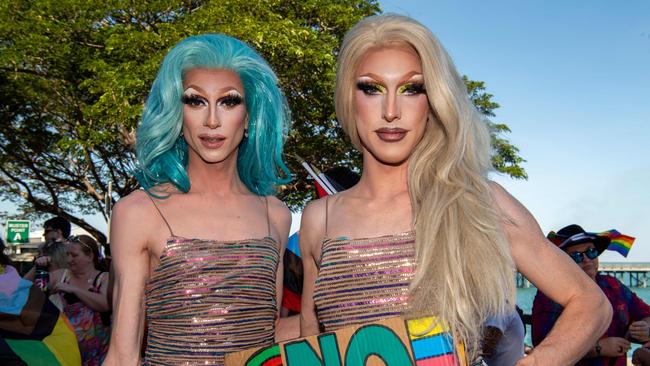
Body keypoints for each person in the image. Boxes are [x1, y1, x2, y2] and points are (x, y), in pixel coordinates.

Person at [299, 13, 611, 365]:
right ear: (348, 98)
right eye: (371, 88)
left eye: (412, 88)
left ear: (433, 101)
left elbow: (591, 303)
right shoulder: (319, 218)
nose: (390, 111)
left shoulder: (479, 202)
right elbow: (311, 344)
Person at [104, 34, 292, 366]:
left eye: (229, 101)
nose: (212, 120)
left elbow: (270, 335)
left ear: (250, 118)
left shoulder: (275, 214)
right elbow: (123, 355)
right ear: (177, 114)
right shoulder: (137, 212)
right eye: (195, 101)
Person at [532, 224, 650, 366]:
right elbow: (543, 347)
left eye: (591, 252)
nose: (587, 260)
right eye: (576, 256)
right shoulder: (550, 295)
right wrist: (598, 348)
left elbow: (645, 313)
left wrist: (645, 327)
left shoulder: (613, 285)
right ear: (562, 261)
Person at [48, 234, 110, 365]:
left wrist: (74, 290)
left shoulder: (104, 278)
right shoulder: (62, 275)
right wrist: (37, 266)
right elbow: (24, 287)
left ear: (90, 256)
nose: (69, 259)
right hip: (66, 350)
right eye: (67, 255)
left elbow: (104, 304)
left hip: (99, 356)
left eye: (74, 255)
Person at [23, 216, 70, 281]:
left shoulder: (70, 251)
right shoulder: (43, 247)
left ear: (58, 232)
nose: (44, 234)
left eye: (47, 231)